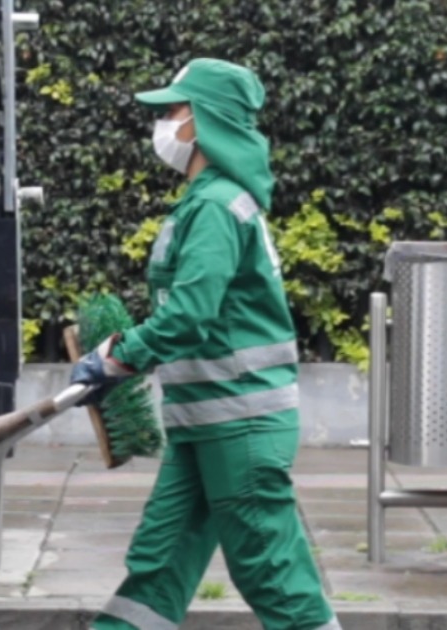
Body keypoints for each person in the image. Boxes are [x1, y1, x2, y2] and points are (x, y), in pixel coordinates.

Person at [69, 58, 341, 630]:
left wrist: (120, 355)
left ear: (203, 121)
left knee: (272, 573)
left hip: (239, 425)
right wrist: (127, 348)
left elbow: (191, 315)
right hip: (205, 424)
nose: (163, 125)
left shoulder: (217, 207)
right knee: (159, 562)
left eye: (171, 112)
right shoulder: (205, 202)